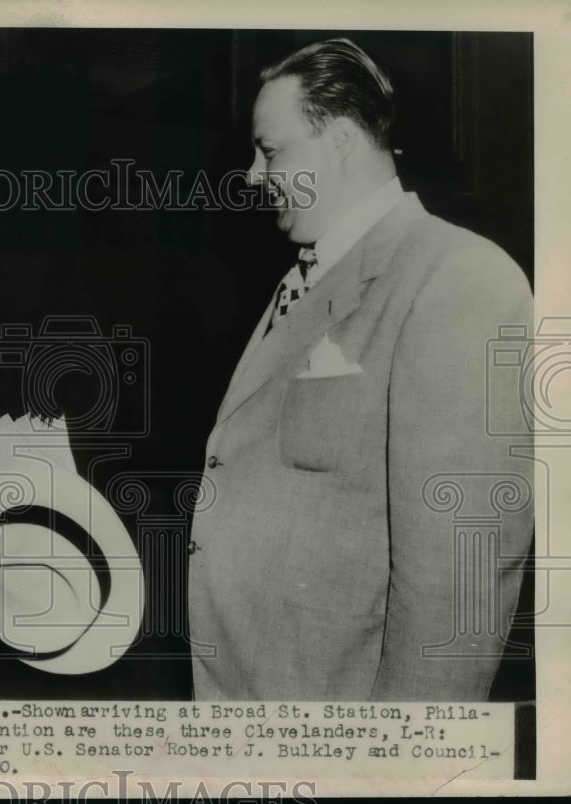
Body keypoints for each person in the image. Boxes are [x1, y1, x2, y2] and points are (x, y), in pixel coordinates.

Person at [188, 39, 533, 700]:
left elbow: (455, 598)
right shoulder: (308, 275)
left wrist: (401, 764)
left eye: (271, 151)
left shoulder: (458, 278)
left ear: (341, 139)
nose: (254, 176)